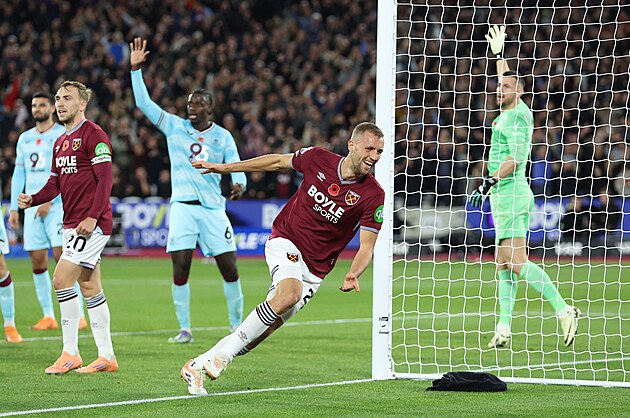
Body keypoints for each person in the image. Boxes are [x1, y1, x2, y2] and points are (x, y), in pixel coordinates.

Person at [180, 122, 385, 395]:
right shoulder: (317, 158)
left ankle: (197, 365)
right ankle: (222, 357)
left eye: (379, 151)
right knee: (289, 294)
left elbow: (367, 247)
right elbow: (276, 161)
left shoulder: (374, 195)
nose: (374, 156)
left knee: (258, 334)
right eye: (369, 148)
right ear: (352, 144)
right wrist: (227, 168)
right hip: (286, 239)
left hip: (315, 270)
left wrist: (353, 273)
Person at [129, 37, 247, 343]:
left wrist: (240, 183)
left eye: (198, 103)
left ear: (210, 107)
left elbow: (235, 163)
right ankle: (185, 330)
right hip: (182, 206)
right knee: (180, 267)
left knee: (229, 268)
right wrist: (135, 71)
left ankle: (236, 327)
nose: (192, 108)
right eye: (190, 103)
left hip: (212, 209)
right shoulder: (174, 126)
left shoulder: (222, 136)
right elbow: (143, 104)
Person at [469, 25, 580, 349]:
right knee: (503, 264)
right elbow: (506, 78)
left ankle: (563, 309)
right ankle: (503, 327)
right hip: (504, 196)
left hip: (511, 192)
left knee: (516, 262)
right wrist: (499, 55)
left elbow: (516, 159)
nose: (499, 90)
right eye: (498, 86)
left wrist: (488, 182)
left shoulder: (517, 116)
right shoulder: (509, 109)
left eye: (506, 87)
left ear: (519, 92)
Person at [18, 80, 117, 374]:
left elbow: (106, 180)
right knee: (89, 286)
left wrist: (93, 217)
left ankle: (70, 353)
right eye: (58, 98)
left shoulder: (94, 135)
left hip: (92, 224)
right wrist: (33, 199)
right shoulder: (60, 142)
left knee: (61, 279)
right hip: (72, 222)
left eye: (67, 98)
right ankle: (107, 357)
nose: (60, 103)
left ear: (82, 104)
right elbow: (55, 183)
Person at [9, 92, 88, 331]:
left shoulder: (63, 135)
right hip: (31, 207)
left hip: (58, 207)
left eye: (42, 104)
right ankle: (48, 316)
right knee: (37, 260)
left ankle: (79, 315)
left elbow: (68, 172)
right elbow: (19, 174)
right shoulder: (25, 138)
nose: (37, 109)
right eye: (34, 105)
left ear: (52, 108)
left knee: (62, 256)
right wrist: (14, 208)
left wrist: (50, 200)